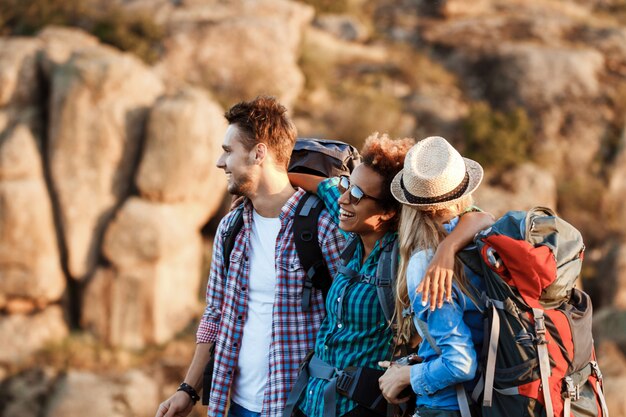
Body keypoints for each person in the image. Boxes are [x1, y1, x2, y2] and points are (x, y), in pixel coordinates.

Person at [155, 96, 344, 417]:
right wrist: (188, 389)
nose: (220, 162)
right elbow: (214, 315)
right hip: (237, 405)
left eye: (229, 151)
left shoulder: (323, 226)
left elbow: (346, 320)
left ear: (259, 153)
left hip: (300, 405)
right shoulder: (231, 227)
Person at [286, 134, 493, 417]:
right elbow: (326, 186)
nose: (346, 197)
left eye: (357, 194)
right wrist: (259, 188)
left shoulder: (407, 257)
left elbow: (480, 216)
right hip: (311, 401)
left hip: (357, 406)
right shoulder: (352, 217)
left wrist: (447, 247)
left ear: (387, 213)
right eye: (349, 185)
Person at [379, 136, 487, 417]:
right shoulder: (484, 242)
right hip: (485, 401)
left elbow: (460, 362)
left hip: (447, 407)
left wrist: (405, 378)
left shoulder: (425, 264)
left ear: (409, 205)